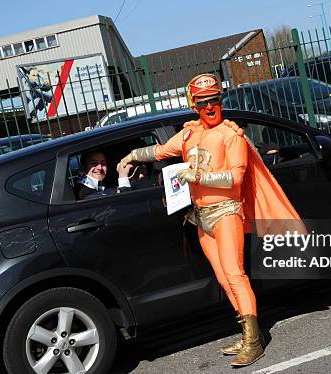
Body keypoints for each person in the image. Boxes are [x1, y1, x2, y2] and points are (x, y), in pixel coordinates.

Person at [119, 74, 307, 367]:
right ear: (193, 104)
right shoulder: (188, 134)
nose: (210, 106)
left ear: (221, 100)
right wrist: (131, 156)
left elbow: (235, 178)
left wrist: (196, 176)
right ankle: (246, 335)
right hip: (200, 217)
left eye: (215, 100)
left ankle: (254, 341)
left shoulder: (232, 135)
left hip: (226, 212)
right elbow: (160, 151)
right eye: (203, 102)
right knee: (222, 277)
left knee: (235, 273)